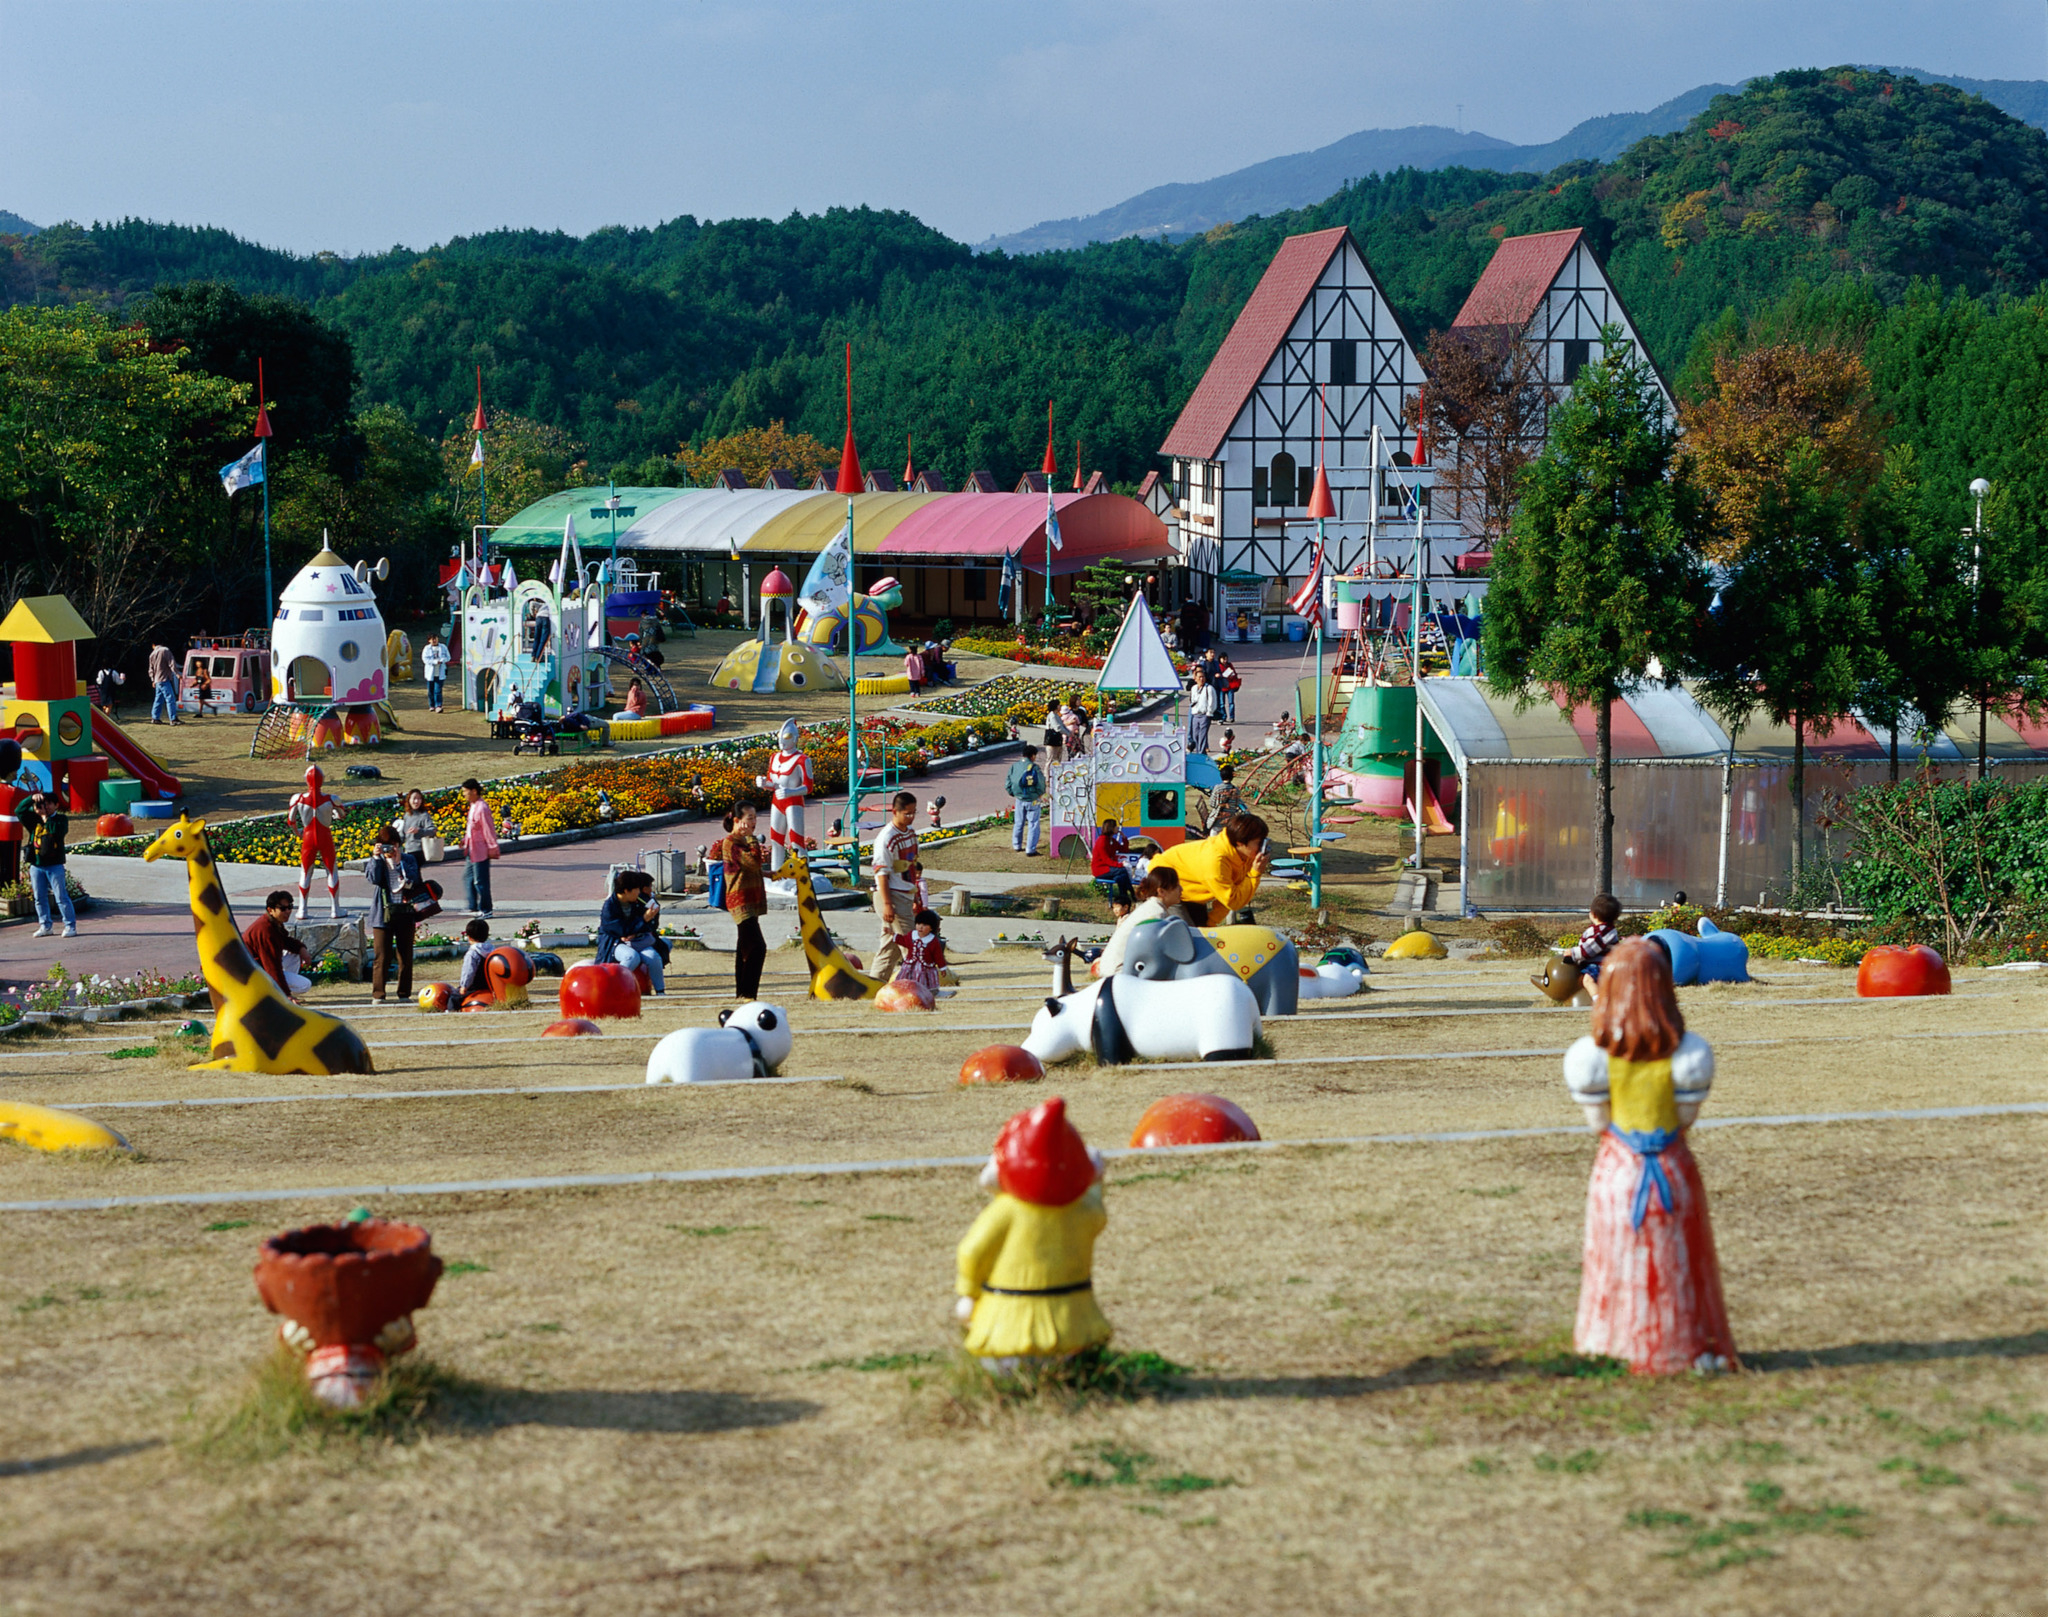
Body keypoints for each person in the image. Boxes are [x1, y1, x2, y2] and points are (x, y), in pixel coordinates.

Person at [1563, 938, 1736, 1375]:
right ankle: (1682, 1343)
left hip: (1618, 1171)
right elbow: (1685, 1118)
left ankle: (1611, 1342)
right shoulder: (1691, 1055)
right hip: (1672, 1168)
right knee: (1678, 1260)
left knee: (1614, 1261)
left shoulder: (1591, 1058)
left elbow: (1598, 1122)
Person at [955, 1098, 1113, 1372]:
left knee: (1003, 1365)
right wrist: (1096, 1181)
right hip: (1076, 1334)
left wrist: (968, 1294)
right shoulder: (1082, 1211)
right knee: (1074, 1362)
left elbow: (972, 1252)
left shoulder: (1007, 1210)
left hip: (1005, 1336)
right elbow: (1097, 1213)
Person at [1149, 810, 1269, 928]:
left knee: (1202, 936)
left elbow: (1231, 895)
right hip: (1168, 883)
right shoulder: (1216, 862)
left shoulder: (1243, 855)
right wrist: (1255, 874)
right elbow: (1233, 901)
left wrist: (1210, 923)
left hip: (1193, 888)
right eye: (1259, 842)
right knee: (1187, 935)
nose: (1263, 847)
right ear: (1240, 843)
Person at [364, 827, 421, 1003]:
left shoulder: (408, 859)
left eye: (394, 845)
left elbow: (414, 881)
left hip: (404, 913)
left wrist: (398, 864)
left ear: (398, 844)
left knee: (405, 955)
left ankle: (404, 993)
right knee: (381, 956)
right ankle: (378, 994)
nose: (390, 849)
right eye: (386, 846)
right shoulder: (378, 861)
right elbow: (373, 878)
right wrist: (375, 857)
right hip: (383, 915)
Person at [721, 801, 768, 1000]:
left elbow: (752, 867)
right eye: (750, 818)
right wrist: (752, 838)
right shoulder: (732, 842)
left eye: (755, 818)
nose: (754, 823)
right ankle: (749, 994)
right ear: (738, 821)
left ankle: (742, 993)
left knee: (745, 949)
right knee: (757, 947)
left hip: (750, 899)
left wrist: (769, 873)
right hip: (740, 901)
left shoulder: (742, 841)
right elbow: (753, 862)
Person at [1096, 867, 1182, 976]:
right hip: (1121, 972)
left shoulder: (1152, 908)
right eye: (1176, 886)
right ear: (1161, 891)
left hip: (1114, 968)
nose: (1181, 889)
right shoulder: (1156, 914)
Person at [872, 789, 919, 983]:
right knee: (911, 945)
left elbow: (911, 866)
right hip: (892, 896)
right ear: (895, 812)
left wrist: (915, 894)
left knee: (889, 948)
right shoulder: (886, 838)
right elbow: (881, 873)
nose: (911, 817)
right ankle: (919, 984)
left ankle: (875, 982)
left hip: (905, 893)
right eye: (907, 813)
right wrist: (888, 904)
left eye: (914, 812)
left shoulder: (910, 834)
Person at [596, 869, 669, 995]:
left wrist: (647, 920)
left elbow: (650, 925)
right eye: (636, 889)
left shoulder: (638, 902)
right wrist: (644, 919)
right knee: (631, 957)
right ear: (626, 891)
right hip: (614, 942)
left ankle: (660, 991)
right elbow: (620, 930)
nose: (639, 892)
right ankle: (611, 987)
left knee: (654, 957)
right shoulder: (609, 907)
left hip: (637, 940)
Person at [18, 787, 77, 938]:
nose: (46, 806)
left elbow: (56, 832)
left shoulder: (60, 819)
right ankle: (45, 925)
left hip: (54, 865)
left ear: (56, 805)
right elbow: (19, 811)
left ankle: (70, 926)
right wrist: (32, 799)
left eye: (49, 804)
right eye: (44, 803)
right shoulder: (34, 820)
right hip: (36, 865)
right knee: (39, 898)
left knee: (61, 897)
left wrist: (46, 818)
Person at [242, 890, 311, 1000]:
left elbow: (285, 941)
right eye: (283, 909)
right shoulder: (265, 931)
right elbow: (271, 966)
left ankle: (278, 988)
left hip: (260, 966)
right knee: (305, 985)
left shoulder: (273, 922)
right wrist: (286, 995)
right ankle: (275, 992)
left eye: (290, 907)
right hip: (253, 973)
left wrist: (302, 949)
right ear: (270, 910)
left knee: (294, 953)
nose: (287, 911)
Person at [1565, 893, 1624, 985]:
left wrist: (1573, 953)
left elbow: (1591, 948)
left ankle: (1597, 998)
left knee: (1588, 980)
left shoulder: (1604, 932)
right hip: (1593, 964)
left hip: (1600, 965)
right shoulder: (1599, 929)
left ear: (1594, 914)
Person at [461, 778, 498, 919]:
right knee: (468, 877)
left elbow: (488, 830)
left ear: (474, 791)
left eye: (465, 791)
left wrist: (492, 847)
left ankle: (486, 909)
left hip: (480, 850)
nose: (464, 794)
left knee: (480, 880)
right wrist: (465, 840)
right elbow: (472, 828)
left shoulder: (482, 808)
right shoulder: (473, 805)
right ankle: (472, 906)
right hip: (472, 849)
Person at [894, 907, 948, 999]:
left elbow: (938, 956)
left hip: (925, 967)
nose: (920, 927)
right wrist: (894, 936)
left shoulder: (933, 941)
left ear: (931, 928)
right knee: (906, 977)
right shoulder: (912, 935)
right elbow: (904, 941)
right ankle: (904, 991)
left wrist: (942, 967)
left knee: (923, 980)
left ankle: (923, 993)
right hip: (910, 964)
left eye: (925, 925)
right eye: (918, 924)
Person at [1005, 744, 1046, 856]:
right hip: (1032, 799)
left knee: (1018, 822)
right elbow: (1041, 784)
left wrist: (1013, 793)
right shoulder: (1034, 767)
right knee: (1033, 823)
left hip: (1019, 798)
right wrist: (1039, 794)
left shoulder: (1014, 766)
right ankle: (1030, 849)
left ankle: (1016, 844)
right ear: (1032, 756)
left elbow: (1008, 782)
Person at [396, 788, 437, 889]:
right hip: (408, 850)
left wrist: (419, 831)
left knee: (414, 874)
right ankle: (419, 892)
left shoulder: (424, 815)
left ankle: (420, 893)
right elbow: (402, 834)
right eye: (414, 799)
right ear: (409, 800)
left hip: (419, 850)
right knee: (411, 874)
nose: (416, 801)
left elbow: (432, 830)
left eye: (419, 799)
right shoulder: (407, 816)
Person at [1090, 818, 1134, 904]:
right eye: (1115, 827)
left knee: (1120, 877)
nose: (1117, 828)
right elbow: (1106, 860)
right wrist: (1120, 865)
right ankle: (1130, 893)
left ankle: (1123, 897)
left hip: (1109, 868)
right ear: (1111, 828)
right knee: (1122, 870)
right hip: (1100, 869)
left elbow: (1124, 850)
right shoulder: (1102, 841)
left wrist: (1124, 838)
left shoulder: (1112, 841)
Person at [456, 917, 494, 999]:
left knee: (453, 997)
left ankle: (450, 1010)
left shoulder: (472, 953)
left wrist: (464, 987)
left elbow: (469, 972)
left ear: (469, 937)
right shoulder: (492, 950)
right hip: (489, 986)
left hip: (475, 987)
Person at [147, 642, 180, 725]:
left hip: (157, 679)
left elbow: (151, 669)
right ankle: (173, 719)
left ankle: (155, 717)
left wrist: (153, 680)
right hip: (164, 678)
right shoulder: (165, 650)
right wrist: (177, 674)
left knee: (158, 699)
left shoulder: (152, 654)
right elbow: (171, 663)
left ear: (153, 645)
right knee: (170, 698)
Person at [1186, 667, 1218, 755]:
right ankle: (1197, 752)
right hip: (1196, 715)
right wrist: (1193, 711)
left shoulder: (1209, 688)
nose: (1201, 679)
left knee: (1202, 735)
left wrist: (1209, 712)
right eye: (1199, 677)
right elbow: (1192, 701)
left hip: (1205, 715)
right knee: (1195, 735)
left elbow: (1212, 701)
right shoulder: (1194, 688)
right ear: (1195, 679)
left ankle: (1202, 753)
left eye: (1203, 677)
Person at [1208, 765, 1245, 832]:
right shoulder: (1235, 790)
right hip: (1229, 821)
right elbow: (1237, 804)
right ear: (1232, 777)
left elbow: (1212, 804)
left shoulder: (1217, 788)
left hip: (1217, 820)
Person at [421, 632, 451, 713]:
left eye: (435, 638)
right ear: (429, 641)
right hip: (430, 673)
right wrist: (434, 662)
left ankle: (438, 705)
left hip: (440, 672)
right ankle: (432, 705)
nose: (434, 640)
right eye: (432, 639)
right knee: (430, 691)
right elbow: (425, 659)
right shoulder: (427, 648)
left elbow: (448, 657)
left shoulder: (443, 647)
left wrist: (441, 660)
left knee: (438, 690)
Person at [1216, 652, 1240, 722]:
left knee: (1231, 702)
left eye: (1226, 659)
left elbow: (1234, 673)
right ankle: (1223, 716)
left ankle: (1232, 717)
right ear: (1220, 659)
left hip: (1230, 686)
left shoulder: (1229, 665)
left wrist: (1232, 674)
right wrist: (1221, 675)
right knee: (1221, 703)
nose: (1225, 661)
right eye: (1223, 659)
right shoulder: (1217, 666)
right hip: (1222, 687)